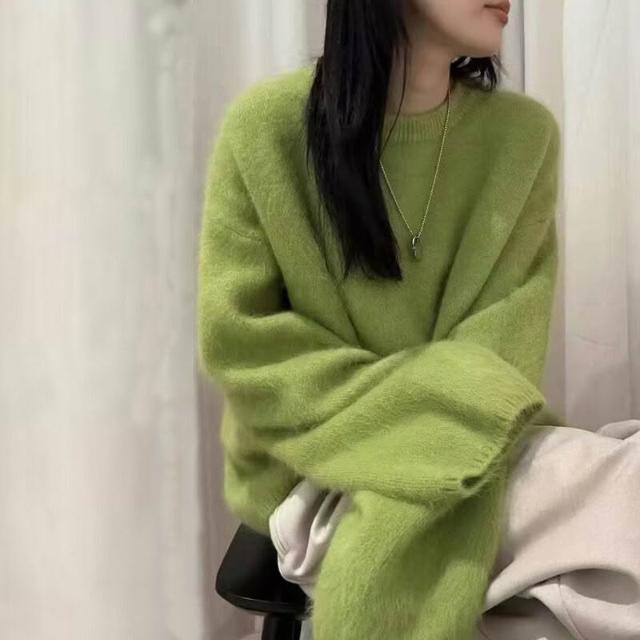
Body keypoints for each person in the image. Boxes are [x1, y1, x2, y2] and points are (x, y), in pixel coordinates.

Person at [197, 1, 572, 638]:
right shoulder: (266, 132)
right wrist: (427, 418)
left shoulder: (523, 139)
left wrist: (418, 425)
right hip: (308, 461)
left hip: (476, 448)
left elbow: (504, 349)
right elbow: (245, 345)